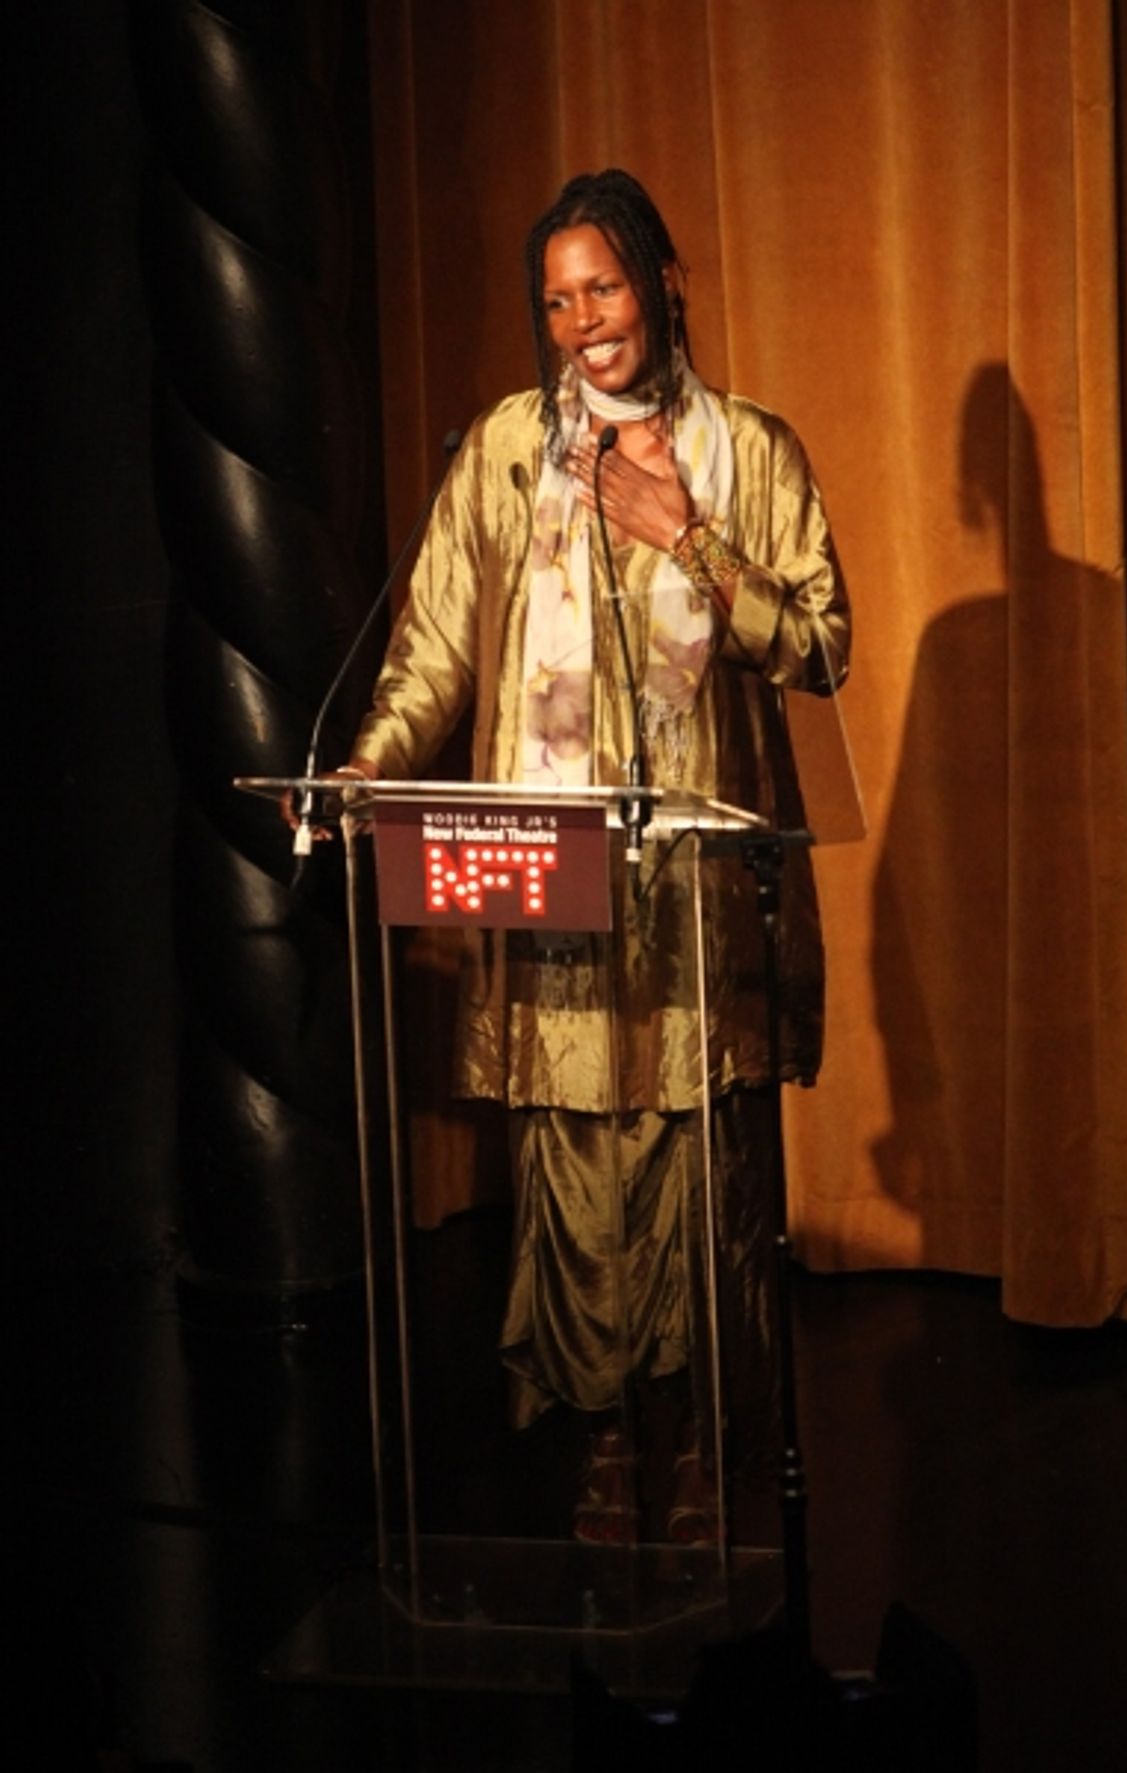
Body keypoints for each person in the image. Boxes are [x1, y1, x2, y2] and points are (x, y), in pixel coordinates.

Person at [329, 170, 849, 1543]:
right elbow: (438, 640)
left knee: (696, 1185)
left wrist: (685, 527)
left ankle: (705, 1453)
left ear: (664, 282)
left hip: (694, 895)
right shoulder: (507, 450)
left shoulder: (747, 448)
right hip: (552, 883)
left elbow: (821, 641)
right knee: (576, 1182)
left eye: (603, 288)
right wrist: (374, 759)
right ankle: (613, 1441)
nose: (581, 321)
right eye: (556, 300)